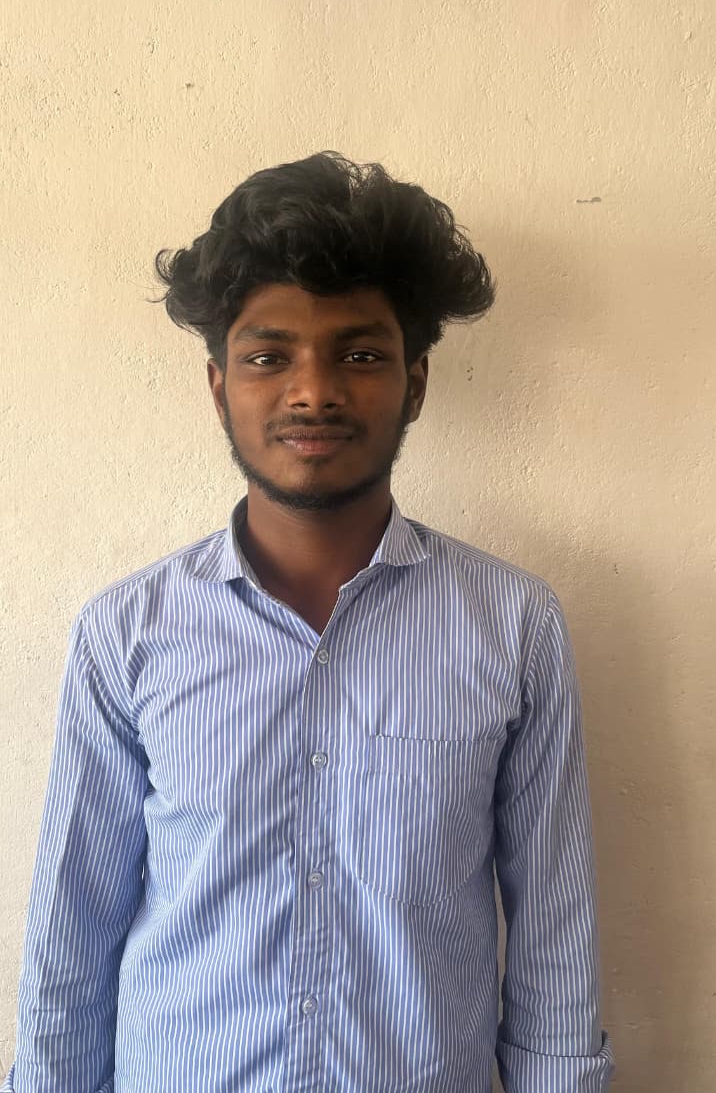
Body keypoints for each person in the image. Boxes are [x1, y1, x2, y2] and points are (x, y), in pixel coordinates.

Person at [2, 152, 614, 1091]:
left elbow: (554, 928)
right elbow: (72, 929)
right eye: (268, 356)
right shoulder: (127, 634)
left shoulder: (513, 625)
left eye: (360, 355)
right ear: (220, 387)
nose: (314, 390)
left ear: (415, 382)